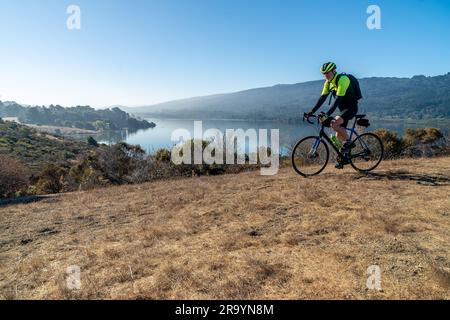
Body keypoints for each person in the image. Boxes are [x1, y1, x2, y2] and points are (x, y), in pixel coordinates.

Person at [305, 62, 359, 168]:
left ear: (334, 71)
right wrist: (311, 112)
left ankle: (350, 142)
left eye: (328, 73)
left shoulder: (343, 79)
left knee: (334, 124)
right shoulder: (328, 83)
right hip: (343, 110)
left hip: (351, 108)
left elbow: (337, 100)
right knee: (338, 137)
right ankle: (344, 158)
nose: (326, 75)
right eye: (324, 74)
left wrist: (327, 114)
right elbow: (322, 98)